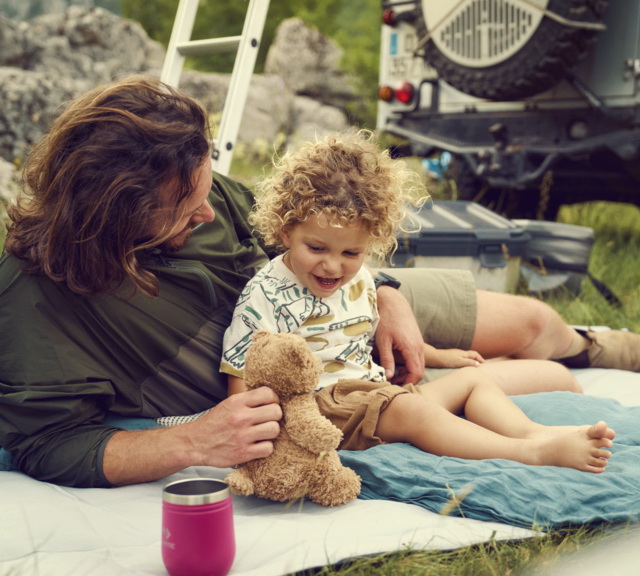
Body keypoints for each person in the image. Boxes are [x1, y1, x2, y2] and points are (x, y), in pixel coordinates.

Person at [0, 76, 636, 488]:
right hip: (317, 374)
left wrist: (385, 291)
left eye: (204, 190)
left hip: (341, 289)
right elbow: (48, 444)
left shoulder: (191, 182)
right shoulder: (37, 296)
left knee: (534, 324)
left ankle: (615, 346)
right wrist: (193, 439)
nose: (206, 210)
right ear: (116, 210)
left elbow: (298, 229)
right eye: (184, 208)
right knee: (549, 381)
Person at [219, 131, 615, 473]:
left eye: (351, 253)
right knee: (414, 412)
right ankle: (527, 453)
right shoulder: (266, 294)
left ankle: (535, 433)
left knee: (474, 380)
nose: (333, 266)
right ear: (286, 231)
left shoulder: (359, 280)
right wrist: (260, 439)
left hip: (372, 393)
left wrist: (439, 356)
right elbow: (240, 374)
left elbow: (365, 328)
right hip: (322, 410)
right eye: (317, 247)